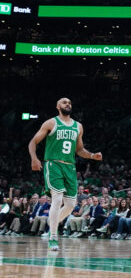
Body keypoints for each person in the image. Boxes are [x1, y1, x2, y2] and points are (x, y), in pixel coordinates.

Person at [28, 98, 103, 251]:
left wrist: (92, 155)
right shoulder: (51, 123)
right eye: (64, 102)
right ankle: (53, 236)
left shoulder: (78, 126)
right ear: (57, 107)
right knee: (57, 198)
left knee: (70, 205)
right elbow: (33, 142)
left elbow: (80, 150)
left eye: (69, 102)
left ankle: (52, 222)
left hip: (70, 167)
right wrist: (34, 158)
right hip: (53, 164)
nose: (67, 104)